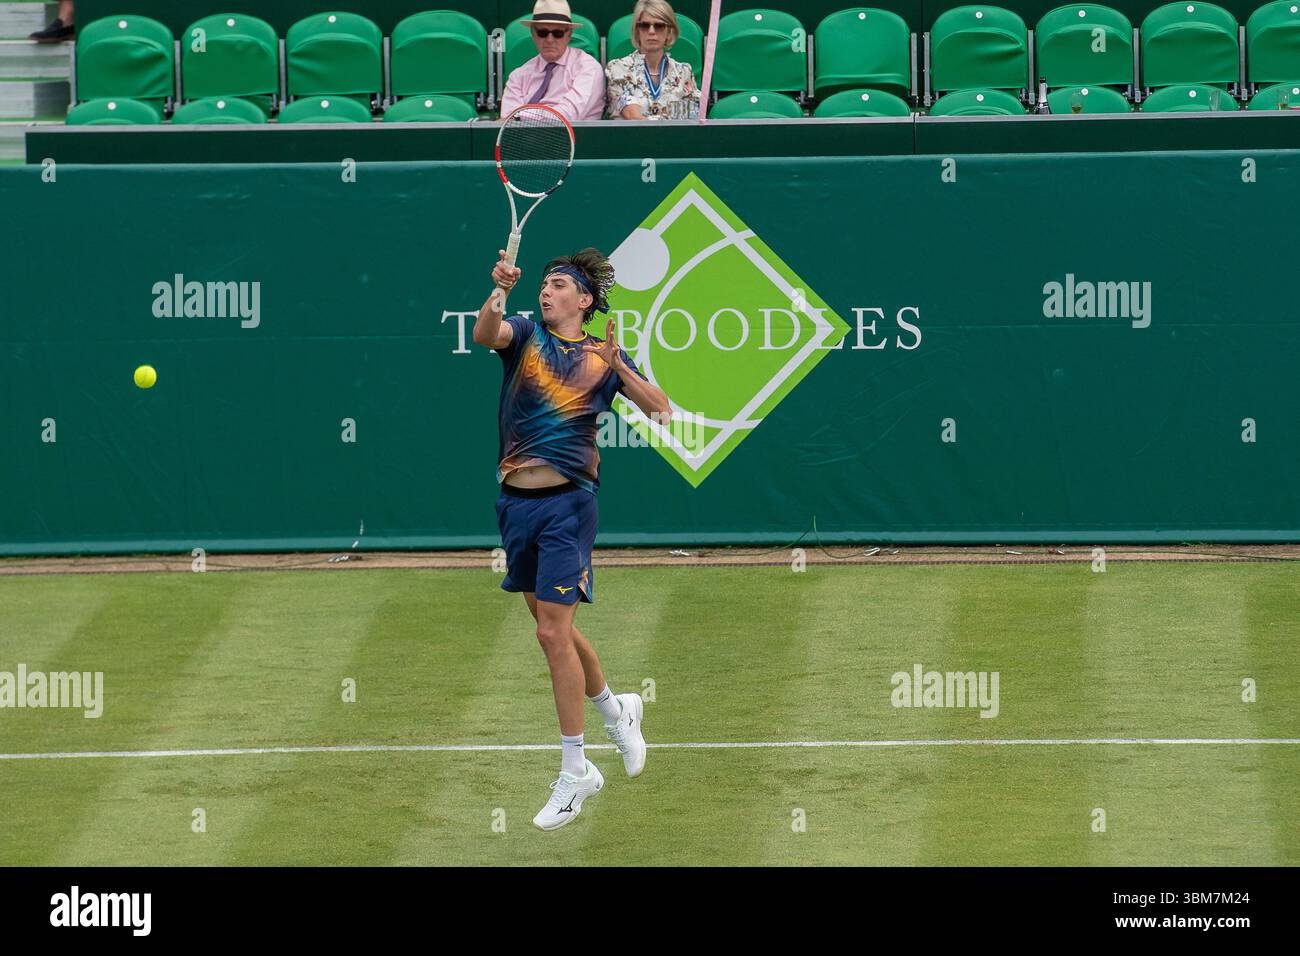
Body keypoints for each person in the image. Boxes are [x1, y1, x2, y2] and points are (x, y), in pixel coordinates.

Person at [472, 246, 672, 831]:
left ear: (584, 301)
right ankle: (617, 710)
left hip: (567, 507)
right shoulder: (526, 334)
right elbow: (487, 333)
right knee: (556, 631)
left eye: (558, 284)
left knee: (549, 631)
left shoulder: (602, 356)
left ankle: (575, 770)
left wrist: (622, 366)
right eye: (544, 283)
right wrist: (499, 289)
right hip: (516, 505)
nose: (547, 290)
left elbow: (661, 412)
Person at [499, 0, 604, 122]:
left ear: (569, 34)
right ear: (533, 33)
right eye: (542, 33)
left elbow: (567, 116)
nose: (549, 40)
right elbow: (507, 120)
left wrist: (519, 116)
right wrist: (516, 118)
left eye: (557, 33)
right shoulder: (518, 75)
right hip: (524, 139)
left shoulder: (587, 67)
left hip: (580, 138)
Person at [605, 0, 699, 120]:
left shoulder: (683, 71)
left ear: (669, 31)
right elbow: (632, 116)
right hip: (631, 137)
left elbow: (693, 115)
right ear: (637, 30)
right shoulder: (618, 68)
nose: (651, 31)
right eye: (644, 25)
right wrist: (670, 112)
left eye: (659, 26)